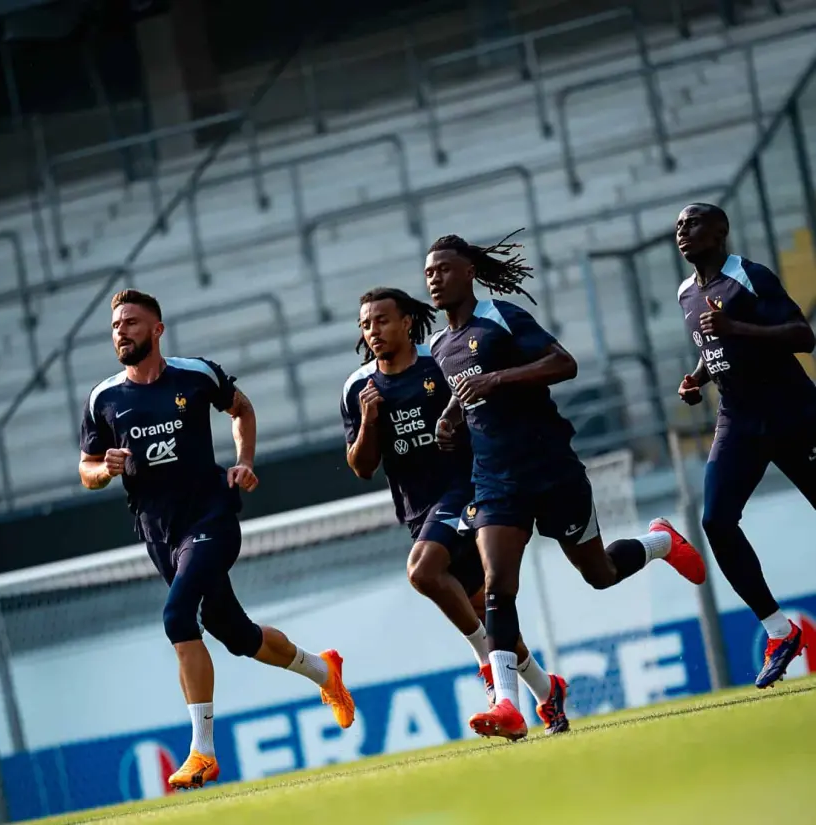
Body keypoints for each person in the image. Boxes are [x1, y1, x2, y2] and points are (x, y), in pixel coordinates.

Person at [426, 231, 706, 740]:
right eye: (428, 273)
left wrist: (498, 379)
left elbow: (564, 363)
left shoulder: (502, 317)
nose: (434, 279)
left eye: (443, 269)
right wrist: (449, 420)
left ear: (468, 272)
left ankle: (661, 541)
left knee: (598, 573)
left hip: (550, 467)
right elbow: (464, 395)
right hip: (494, 480)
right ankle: (509, 704)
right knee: (497, 585)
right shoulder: (438, 345)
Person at [79, 289, 354, 790]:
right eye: (116, 324)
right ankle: (323, 672)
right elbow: (86, 468)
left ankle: (202, 753)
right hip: (158, 532)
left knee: (177, 616)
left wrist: (244, 461)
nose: (122, 331)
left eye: (132, 322)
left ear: (157, 329)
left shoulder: (196, 374)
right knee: (235, 633)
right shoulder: (104, 398)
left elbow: (241, 409)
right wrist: (103, 471)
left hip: (211, 516)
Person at [341, 287, 569, 734]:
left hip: (468, 487)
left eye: (383, 320)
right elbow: (362, 467)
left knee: (423, 572)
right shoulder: (358, 388)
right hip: (419, 510)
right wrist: (369, 421)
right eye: (366, 324)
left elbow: (485, 415)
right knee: (487, 616)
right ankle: (547, 693)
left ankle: (487, 668)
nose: (374, 331)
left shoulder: (439, 364)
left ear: (407, 321)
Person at [675, 203, 814, 688]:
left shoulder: (749, 277)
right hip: (737, 419)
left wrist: (739, 328)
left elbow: (803, 335)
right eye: (678, 226)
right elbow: (713, 349)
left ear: (720, 231)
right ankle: (779, 630)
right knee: (715, 519)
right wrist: (695, 378)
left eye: (691, 223)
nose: (682, 232)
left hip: (792, 413)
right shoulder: (686, 292)